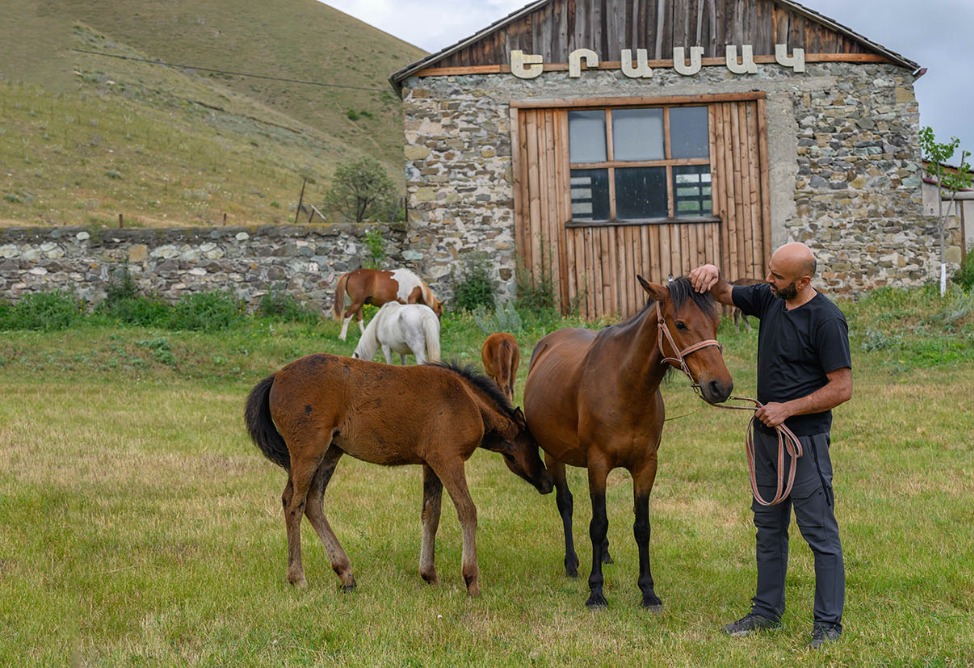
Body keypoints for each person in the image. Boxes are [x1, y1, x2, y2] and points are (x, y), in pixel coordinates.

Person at [688, 242, 853, 650]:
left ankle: (828, 625)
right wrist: (711, 273)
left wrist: (788, 409)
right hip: (766, 442)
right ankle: (765, 613)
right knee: (768, 529)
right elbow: (725, 292)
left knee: (820, 535)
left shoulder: (827, 320)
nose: (768, 280)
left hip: (804, 443)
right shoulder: (769, 299)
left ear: (803, 281)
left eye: (778, 277)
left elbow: (842, 388)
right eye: (770, 272)